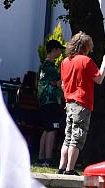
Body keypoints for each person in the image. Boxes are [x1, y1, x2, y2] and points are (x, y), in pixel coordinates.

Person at [59, 32, 105, 176]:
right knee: (77, 137)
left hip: (69, 103)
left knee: (68, 137)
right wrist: (104, 63)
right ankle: (70, 169)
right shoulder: (86, 61)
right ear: (86, 46)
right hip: (82, 104)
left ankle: (61, 167)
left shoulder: (65, 62)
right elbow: (99, 79)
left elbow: (63, 84)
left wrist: (68, 98)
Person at [37, 39, 65, 167]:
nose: (60, 52)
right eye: (59, 50)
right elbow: (59, 83)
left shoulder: (43, 65)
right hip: (51, 101)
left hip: (44, 102)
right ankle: (48, 159)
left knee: (47, 128)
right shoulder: (51, 67)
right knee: (52, 129)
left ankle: (41, 157)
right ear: (54, 50)